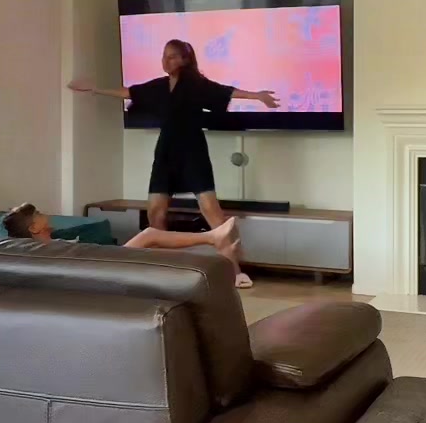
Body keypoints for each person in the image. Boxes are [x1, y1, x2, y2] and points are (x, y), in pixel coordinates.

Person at [68, 38, 280, 288]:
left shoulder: (197, 85)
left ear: (184, 59)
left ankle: (234, 271)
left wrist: (257, 96)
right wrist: (94, 89)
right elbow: (129, 92)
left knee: (212, 212)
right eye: (163, 56)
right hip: (166, 151)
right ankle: (164, 270)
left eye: (171, 56)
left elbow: (227, 91)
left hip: (192, 150)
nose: (165, 61)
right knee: (155, 212)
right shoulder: (158, 86)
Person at [2, 200, 241, 266]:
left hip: (105, 259)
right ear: (34, 228)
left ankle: (214, 248)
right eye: (39, 214)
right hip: (106, 264)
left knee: (154, 245)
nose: (44, 214)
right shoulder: (47, 249)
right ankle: (212, 238)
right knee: (149, 235)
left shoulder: (47, 243)